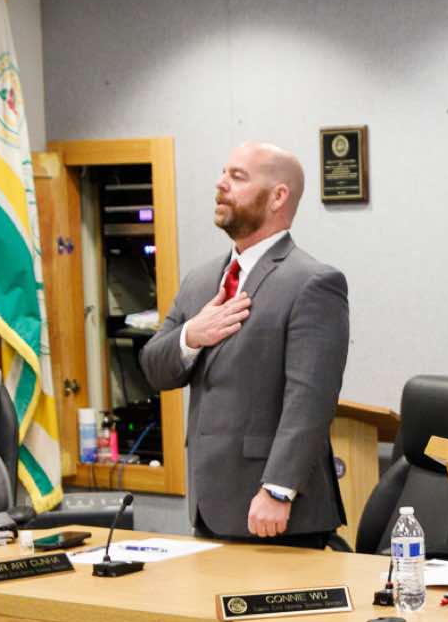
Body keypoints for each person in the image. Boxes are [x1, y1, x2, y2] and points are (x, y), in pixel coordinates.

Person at [139, 142, 348, 546]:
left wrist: (278, 490)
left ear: (278, 196)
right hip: (207, 508)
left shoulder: (313, 282)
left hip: (277, 513)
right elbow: (154, 368)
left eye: (237, 177)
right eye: (223, 173)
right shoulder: (201, 280)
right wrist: (190, 335)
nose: (221, 184)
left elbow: (310, 399)